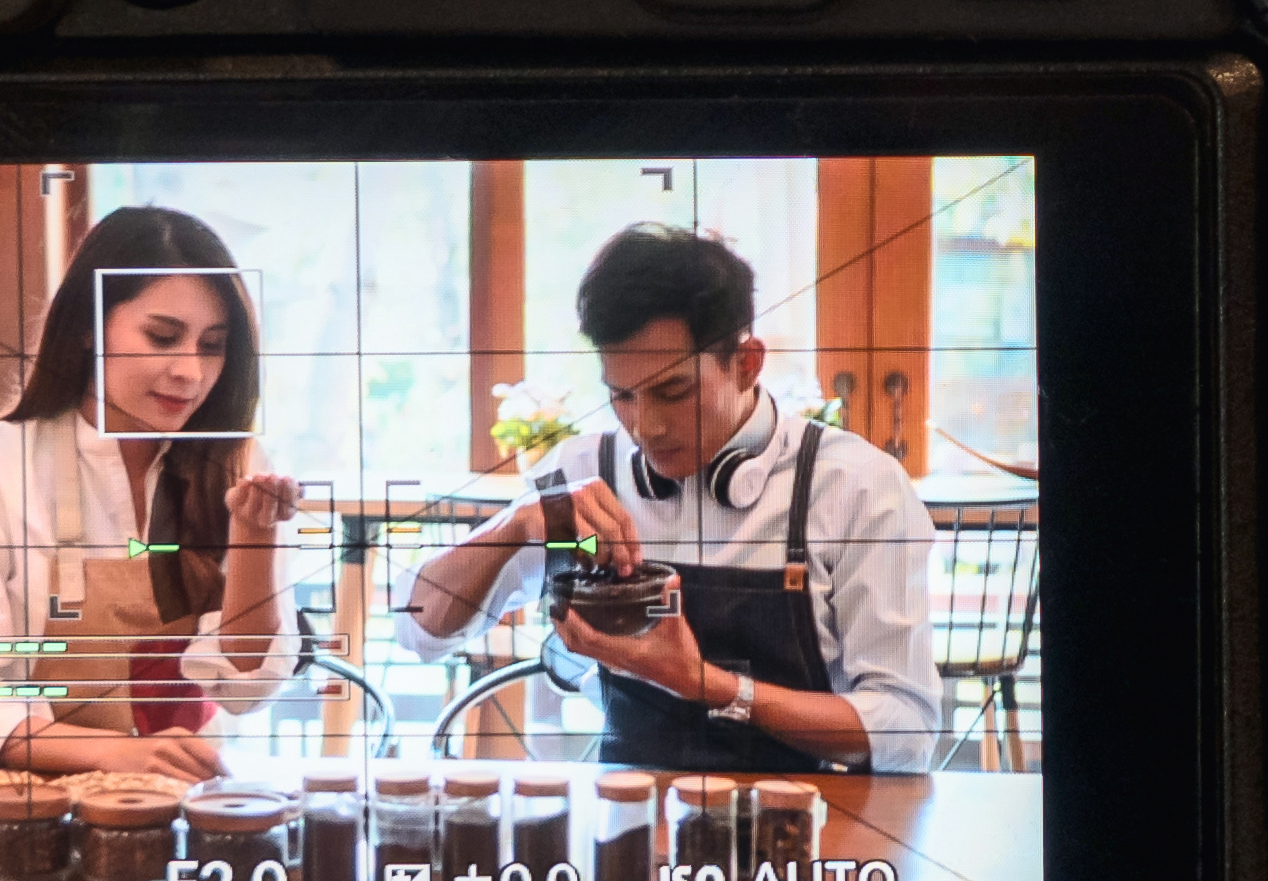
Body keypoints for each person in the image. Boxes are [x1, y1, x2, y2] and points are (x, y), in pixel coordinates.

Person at [402, 222, 941, 774]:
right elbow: (420, 631)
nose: (646, 426)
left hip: (814, 813)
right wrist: (515, 525)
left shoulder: (854, 487)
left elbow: (907, 731)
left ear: (747, 364)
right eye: (622, 396)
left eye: (673, 392)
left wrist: (705, 685)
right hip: (631, 808)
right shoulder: (584, 476)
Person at [0, 202, 299, 775]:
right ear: (88, 328)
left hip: (190, 788)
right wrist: (122, 754)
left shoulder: (239, 462)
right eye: (162, 337)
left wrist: (254, 535)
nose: (190, 372)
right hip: (30, 799)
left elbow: (244, 688)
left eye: (212, 345)